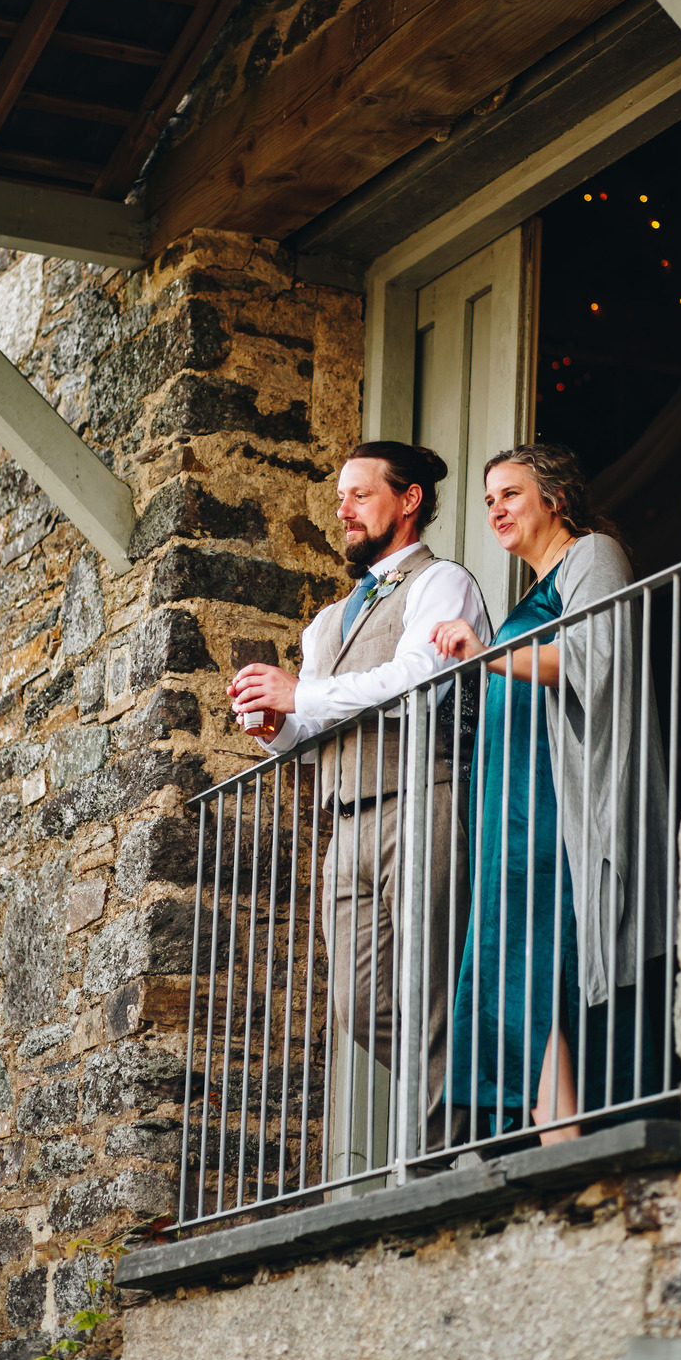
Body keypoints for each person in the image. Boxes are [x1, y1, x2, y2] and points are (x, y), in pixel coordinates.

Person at [228, 441, 492, 1154]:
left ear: (407, 501)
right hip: (344, 826)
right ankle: (484, 1105)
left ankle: (445, 1159)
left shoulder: (442, 583)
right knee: (362, 1004)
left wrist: (301, 692)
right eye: (340, 497)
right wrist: (273, 727)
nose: (341, 511)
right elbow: (310, 727)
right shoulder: (326, 621)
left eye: (359, 495)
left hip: (421, 800)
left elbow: (415, 678)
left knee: (431, 989)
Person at [431, 443, 668, 1146]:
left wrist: (485, 655)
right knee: (515, 965)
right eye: (488, 500)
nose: (496, 509)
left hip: (553, 801)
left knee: (542, 954)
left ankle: (562, 1131)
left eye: (509, 494)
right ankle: (550, 1129)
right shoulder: (532, 592)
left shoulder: (592, 556)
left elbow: (593, 661)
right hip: (511, 802)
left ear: (554, 500)